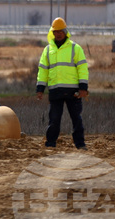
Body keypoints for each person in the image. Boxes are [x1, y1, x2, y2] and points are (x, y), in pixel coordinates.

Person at [36, 17, 89, 150]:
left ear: (65, 31)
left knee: (77, 119)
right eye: (56, 31)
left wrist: (83, 87)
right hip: (55, 91)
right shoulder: (48, 50)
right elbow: (43, 70)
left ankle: (80, 144)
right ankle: (50, 144)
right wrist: (40, 88)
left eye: (60, 31)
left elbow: (82, 68)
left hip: (73, 91)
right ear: (52, 33)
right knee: (54, 120)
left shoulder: (75, 48)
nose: (58, 34)